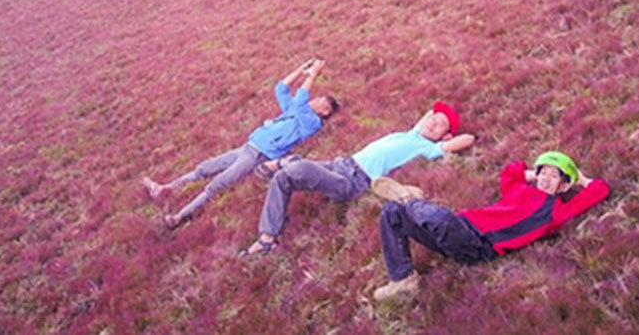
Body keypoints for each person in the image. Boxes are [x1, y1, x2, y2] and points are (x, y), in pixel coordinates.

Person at [241, 101, 474, 256]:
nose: (433, 122)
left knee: (297, 167)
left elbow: (468, 139)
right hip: (342, 164)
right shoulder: (412, 133)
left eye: (440, 124)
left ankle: (284, 161)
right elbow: (430, 114)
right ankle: (267, 238)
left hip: (354, 182)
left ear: (445, 135)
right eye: (433, 119)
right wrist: (438, 115)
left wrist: (447, 137)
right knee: (282, 179)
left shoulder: (428, 148)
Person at [372, 150, 610, 301]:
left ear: (564, 185)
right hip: (459, 228)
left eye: (554, 175)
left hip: (477, 246)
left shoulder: (556, 212)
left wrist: (579, 178)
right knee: (391, 212)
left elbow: (600, 190)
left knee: (439, 217)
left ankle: (410, 199)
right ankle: (403, 280)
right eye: (543, 173)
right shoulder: (519, 189)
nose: (546, 178)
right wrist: (535, 173)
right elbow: (510, 173)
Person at [143, 58, 338, 228]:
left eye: (321, 102)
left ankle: (179, 217)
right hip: (249, 146)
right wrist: (300, 69)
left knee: (218, 184)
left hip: (260, 155)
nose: (315, 99)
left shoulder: (312, 123)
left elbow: (301, 100)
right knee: (205, 168)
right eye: (318, 97)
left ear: (325, 112)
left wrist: (313, 75)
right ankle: (164, 189)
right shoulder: (295, 110)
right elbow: (281, 89)